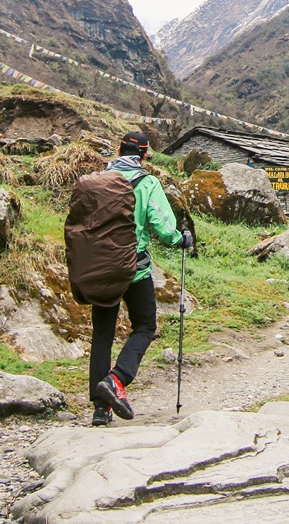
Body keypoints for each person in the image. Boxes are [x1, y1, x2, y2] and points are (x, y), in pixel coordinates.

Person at [89, 130, 191, 425]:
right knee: (145, 327)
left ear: (118, 149)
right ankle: (116, 380)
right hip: (134, 269)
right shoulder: (148, 183)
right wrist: (180, 238)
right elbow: (161, 225)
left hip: (101, 268)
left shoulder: (98, 179)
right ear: (145, 155)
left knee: (102, 335)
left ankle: (100, 409)